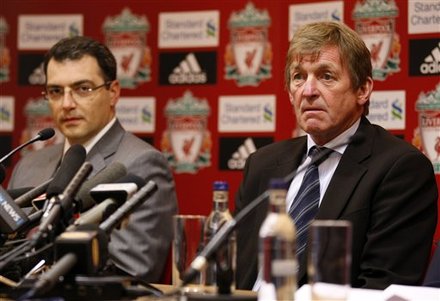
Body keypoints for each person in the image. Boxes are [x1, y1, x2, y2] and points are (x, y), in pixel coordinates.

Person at [234, 21, 438, 290]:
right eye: (298, 77)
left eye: (326, 76)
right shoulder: (262, 164)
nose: (308, 91)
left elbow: (381, 288)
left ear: (362, 90)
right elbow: (234, 271)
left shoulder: (400, 169)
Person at [8, 36, 178, 282]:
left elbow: (130, 268)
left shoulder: (142, 164)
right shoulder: (28, 166)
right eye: (56, 91)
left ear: (113, 92)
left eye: (83, 89)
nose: (67, 104)